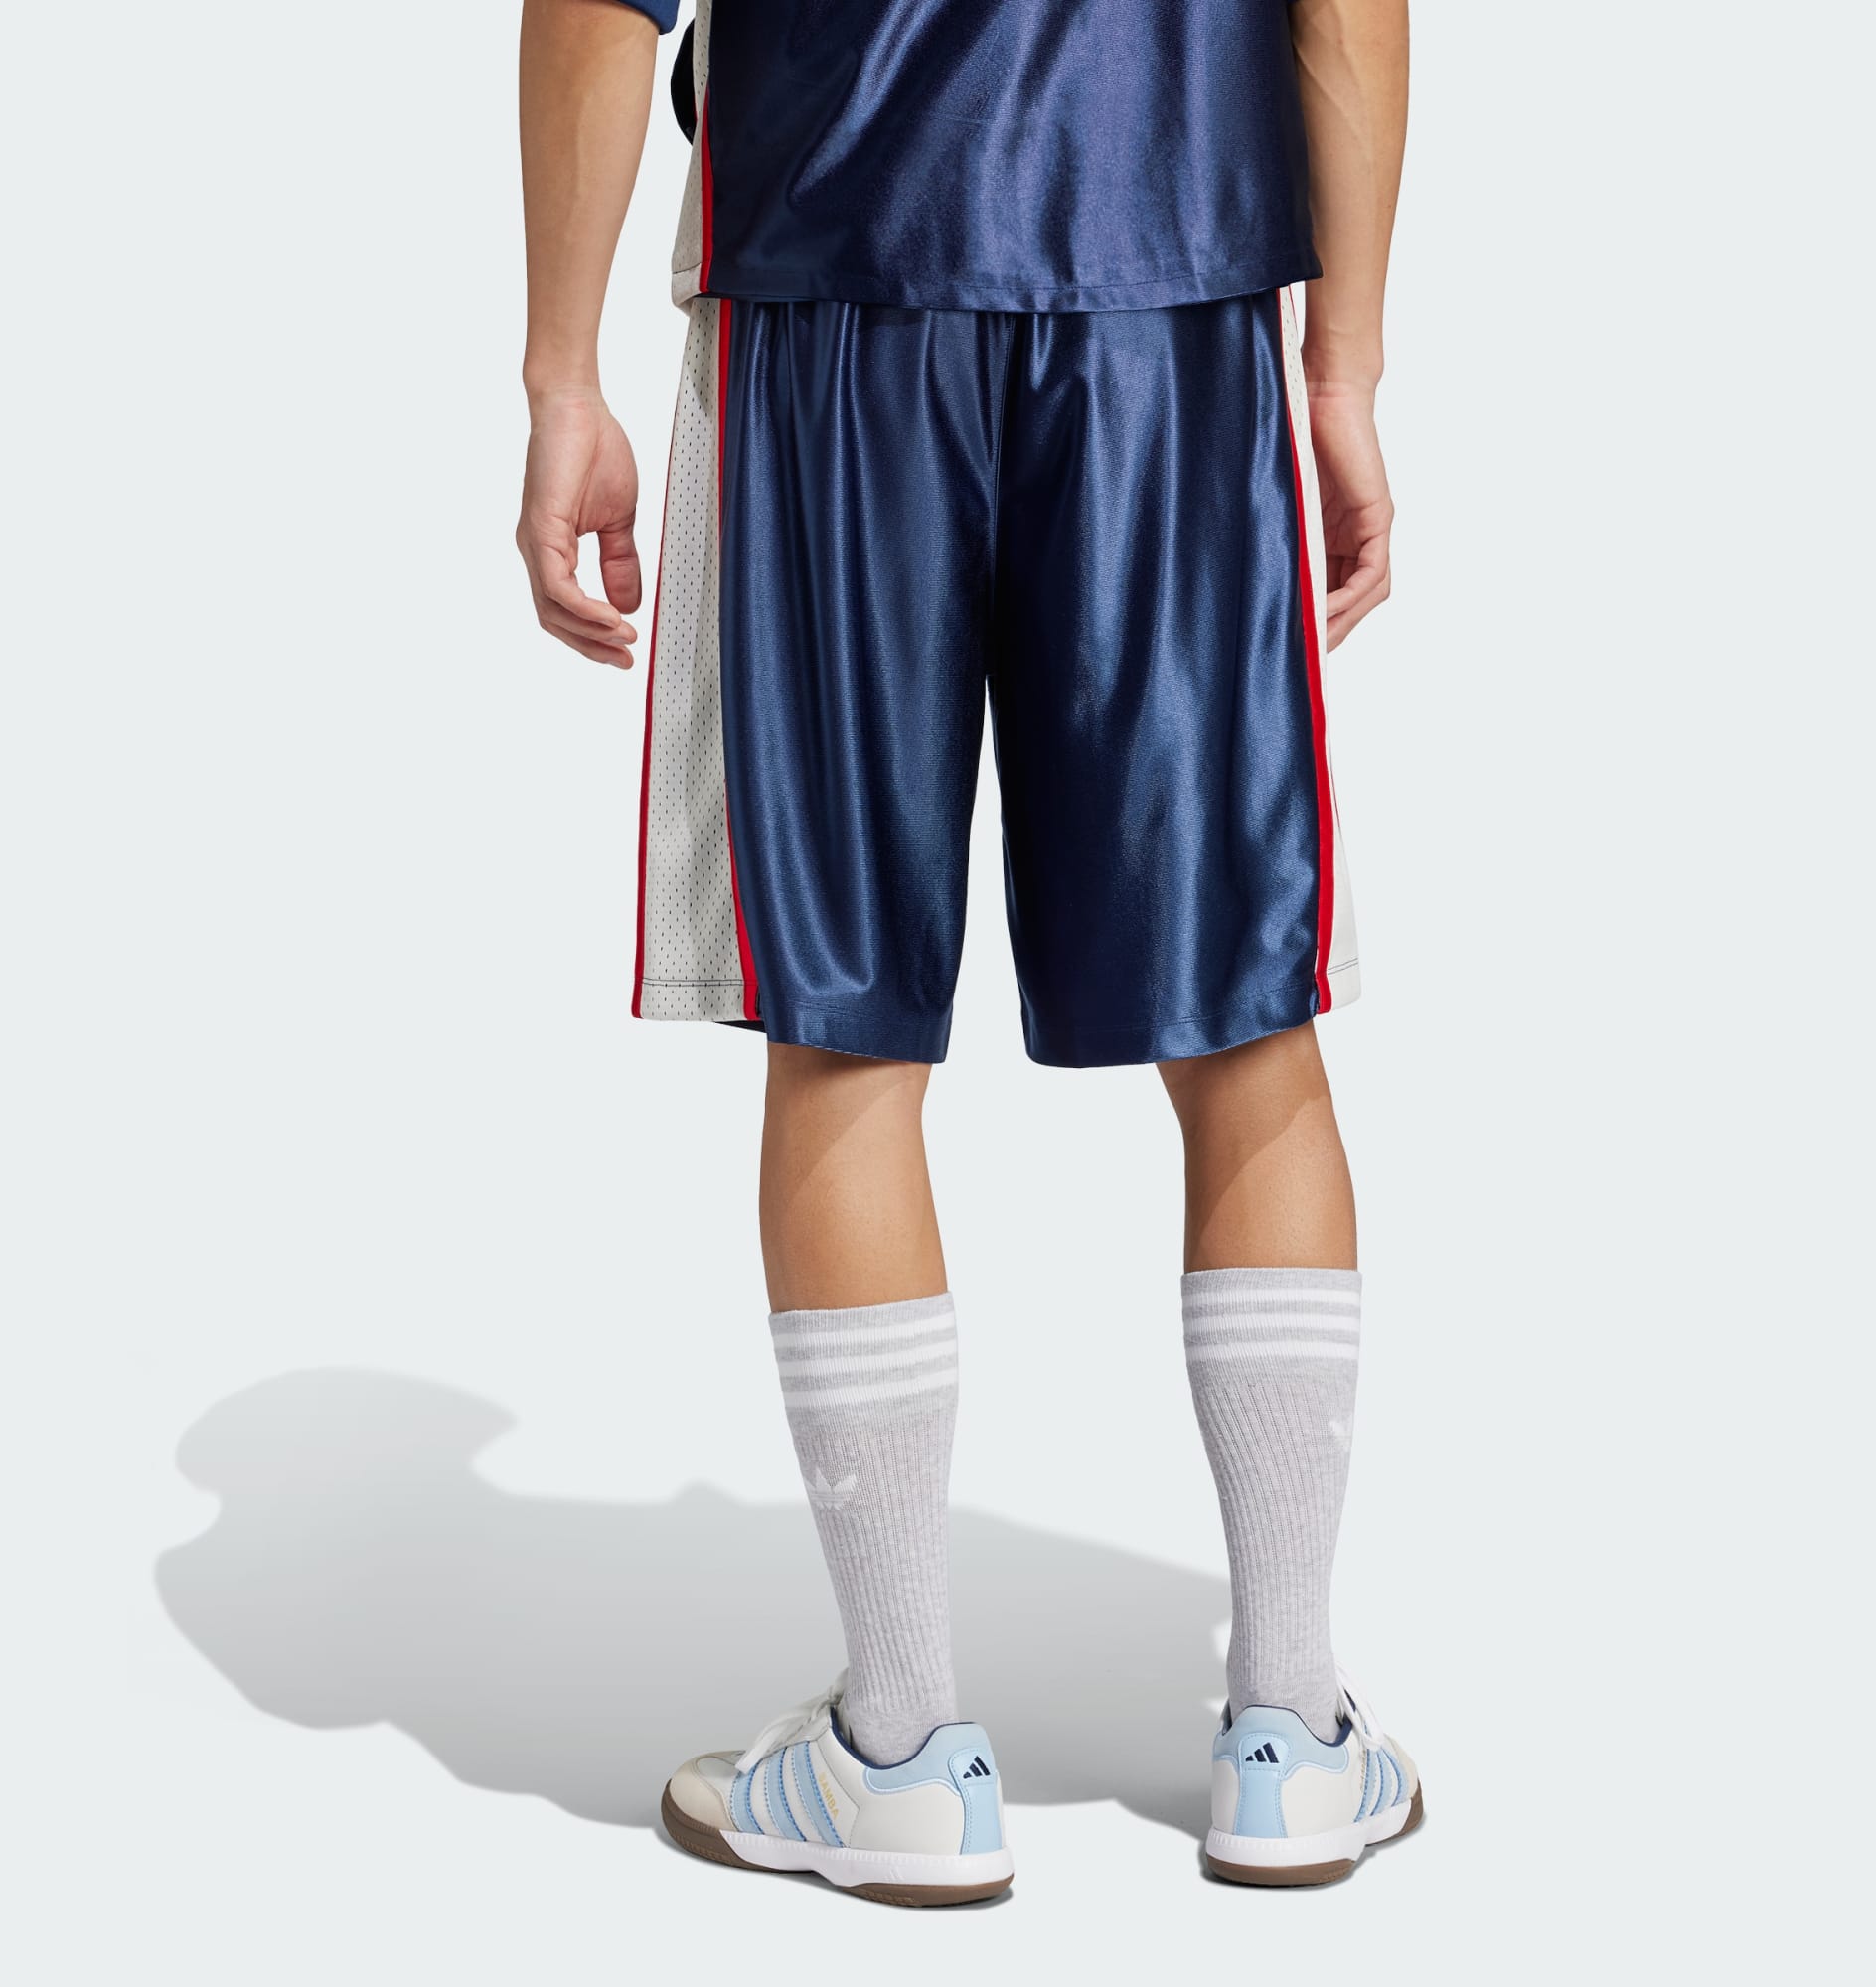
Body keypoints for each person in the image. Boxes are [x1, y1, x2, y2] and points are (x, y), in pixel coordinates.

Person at [517, 0, 1414, 1904]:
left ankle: (904, 1756)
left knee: (844, 1021)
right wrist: (1344, 365)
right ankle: (1292, 1733)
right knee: (1245, 1017)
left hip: (835, 268)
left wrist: (559, 374)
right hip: (1173, 283)